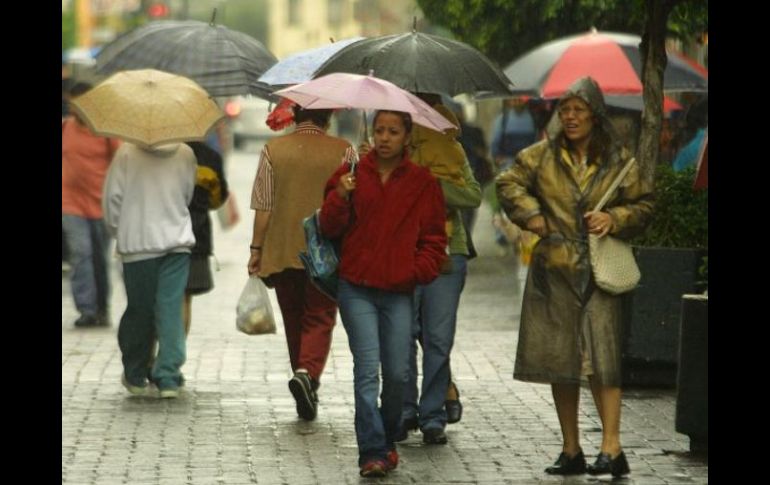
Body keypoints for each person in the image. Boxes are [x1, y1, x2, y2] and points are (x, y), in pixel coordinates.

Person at [496, 77, 653, 478]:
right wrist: (533, 215)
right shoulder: (541, 156)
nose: (570, 117)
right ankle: (571, 449)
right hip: (555, 269)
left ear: (595, 116)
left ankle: (612, 448)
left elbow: (645, 204)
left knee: (605, 359)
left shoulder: (620, 161)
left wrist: (614, 217)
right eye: (564, 110)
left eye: (578, 110)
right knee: (558, 359)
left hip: (601, 271)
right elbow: (507, 182)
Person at [320, 110, 447, 477]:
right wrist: (340, 196)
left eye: (393, 131)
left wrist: (416, 271)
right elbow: (329, 227)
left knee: (398, 373)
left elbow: (434, 238)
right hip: (356, 287)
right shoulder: (351, 175)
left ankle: (389, 434)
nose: (385, 138)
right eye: (380, 130)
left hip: (398, 291)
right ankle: (372, 451)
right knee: (366, 372)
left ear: (407, 136)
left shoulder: (422, 182)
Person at [248, 106, 357, 421]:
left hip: (282, 250)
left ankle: (303, 376)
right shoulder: (345, 151)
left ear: (294, 116)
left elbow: (264, 207)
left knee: (294, 320)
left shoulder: (273, 150)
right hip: (327, 251)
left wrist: (256, 249)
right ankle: (307, 376)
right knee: (319, 319)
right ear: (329, 117)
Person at [398, 93, 482, 445]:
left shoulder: (453, 152)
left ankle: (433, 414)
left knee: (438, 339)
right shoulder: (390, 150)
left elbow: (473, 196)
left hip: (450, 253)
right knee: (402, 337)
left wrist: (431, 185)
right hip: (401, 251)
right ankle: (403, 410)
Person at [103, 141, 197, 399]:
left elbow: (113, 199)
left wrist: (118, 230)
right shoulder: (186, 153)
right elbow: (187, 194)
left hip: (138, 243)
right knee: (170, 308)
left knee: (139, 309)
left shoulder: (125, 153)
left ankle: (135, 373)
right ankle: (168, 376)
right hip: (177, 242)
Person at [62, 82, 121, 327]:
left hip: (101, 205)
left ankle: (102, 307)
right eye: (72, 103)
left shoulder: (106, 132)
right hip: (70, 204)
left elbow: (120, 165)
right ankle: (86, 308)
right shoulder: (65, 127)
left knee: (99, 257)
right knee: (81, 253)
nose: (76, 109)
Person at [183, 142, 229, 335]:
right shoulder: (209, 157)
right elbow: (217, 199)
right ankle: (173, 357)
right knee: (184, 298)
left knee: (156, 297)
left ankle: (155, 353)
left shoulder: (155, 153)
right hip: (195, 234)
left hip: (156, 234)